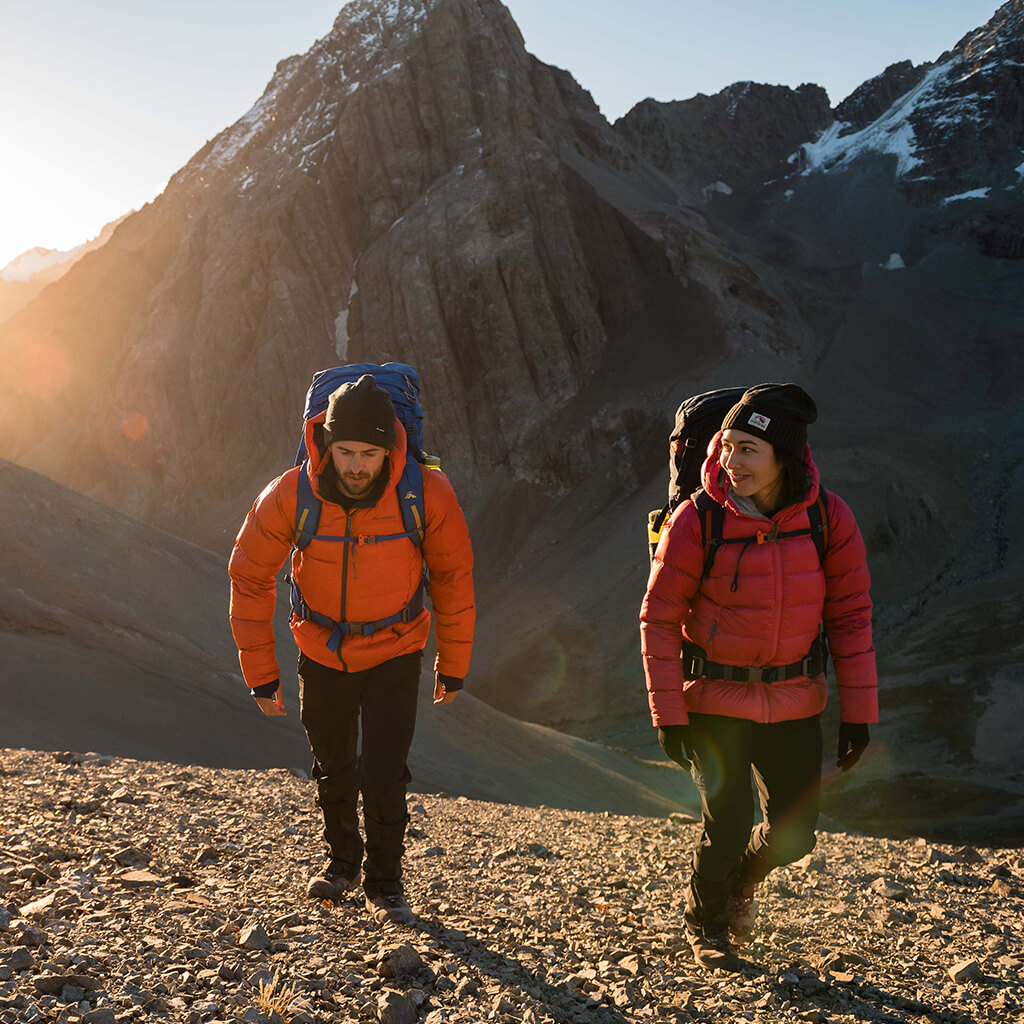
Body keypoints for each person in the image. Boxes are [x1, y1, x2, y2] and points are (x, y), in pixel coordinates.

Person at [639, 382, 876, 971]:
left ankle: (742, 880)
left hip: (794, 699)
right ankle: (706, 920)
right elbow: (659, 618)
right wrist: (669, 716)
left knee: (795, 836)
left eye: (749, 449)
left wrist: (859, 713)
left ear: (785, 459)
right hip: (713, 697)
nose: (730, 460)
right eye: (728, 444)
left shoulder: (828, 518)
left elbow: (850, 616)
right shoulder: (698, 519)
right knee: (729, 819)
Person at [228, 374, 475, 925]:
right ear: (324, 443)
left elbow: (454, 578)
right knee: (333, 767)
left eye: (370, 452)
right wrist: (261, 674)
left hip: (396, 649)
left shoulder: (426, 492)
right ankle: (342, 864)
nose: (358, 465)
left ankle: (386, 881)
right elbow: (249, 577)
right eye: (346, 452)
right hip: (320, 650)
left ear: (392, 448)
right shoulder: (292, 493)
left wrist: (451, 666)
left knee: (385, 771)